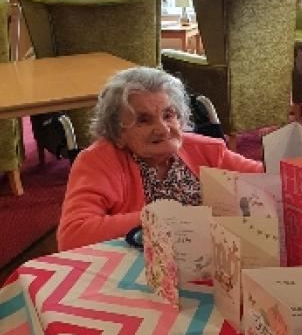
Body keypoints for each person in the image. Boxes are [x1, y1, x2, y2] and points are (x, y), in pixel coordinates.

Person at [58, 67, 263, 251]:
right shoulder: (98, 161)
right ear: (118, 132)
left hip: (214, 259)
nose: (163, 129)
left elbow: (268, 178)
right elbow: (73, 235)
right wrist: (164, 217)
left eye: (168, 115)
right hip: (142, 265)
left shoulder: (206, 150)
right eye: (143, 120)